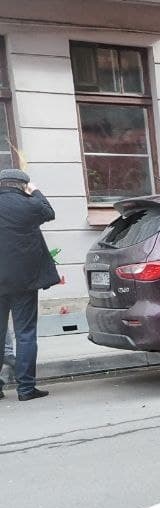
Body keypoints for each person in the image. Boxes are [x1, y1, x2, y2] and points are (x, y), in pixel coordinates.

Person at [0, 168, 58, 401]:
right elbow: (49, 212)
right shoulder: (29, 205)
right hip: (24, 282)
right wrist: (36, 191)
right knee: (25, 333)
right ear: (22, 185)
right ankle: (25, 389)